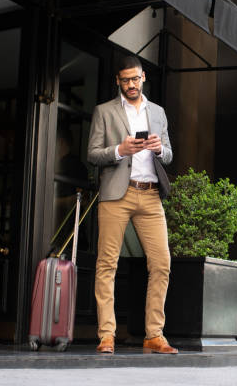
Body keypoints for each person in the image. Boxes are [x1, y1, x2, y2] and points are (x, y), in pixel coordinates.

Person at [87, 55, 177, 355]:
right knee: (106, 264)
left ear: (143, 77)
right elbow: (93, 154)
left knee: (161, 263)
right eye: (125, 80)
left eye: (135, 79)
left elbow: (169, 155)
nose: (131, 84)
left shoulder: (159, 113)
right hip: (116, 195)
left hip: (150, 195)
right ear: (118, 81)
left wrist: (159, 147)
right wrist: (119, 150)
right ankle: (107, 336)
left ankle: (154, 335)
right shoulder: (104, 111)